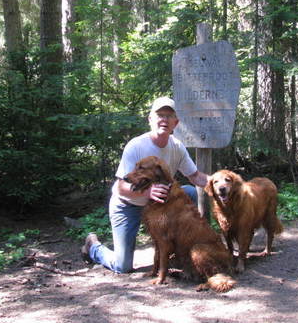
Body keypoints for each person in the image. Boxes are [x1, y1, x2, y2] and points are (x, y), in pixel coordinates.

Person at [81, 97, 209, 273]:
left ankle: (177, 250)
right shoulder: (136, 146)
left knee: (190, 192)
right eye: (160, 115)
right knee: (122, 266)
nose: (164, 119)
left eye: (169, 116)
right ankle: (93, 247)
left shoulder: (177, 146)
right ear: (150, 119)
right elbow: (120, 187)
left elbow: (195, 177)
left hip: (158, 204)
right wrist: (147, 193)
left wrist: (221, 183)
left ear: (176, 122)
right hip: (128, 205)